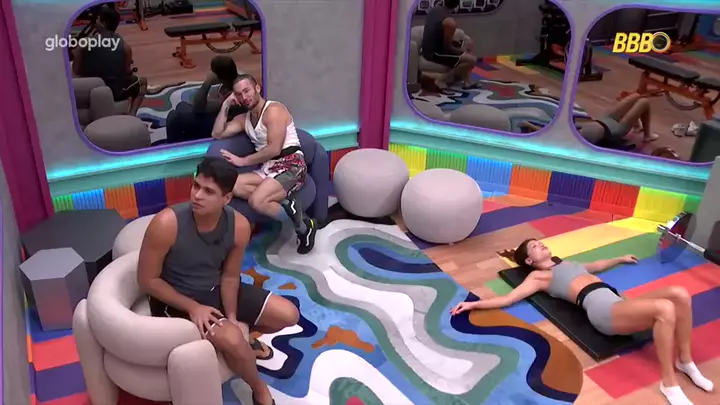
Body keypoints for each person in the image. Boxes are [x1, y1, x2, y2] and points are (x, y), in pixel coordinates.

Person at [451, 238, 713, 405]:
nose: (541, 245)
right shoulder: (539, 278)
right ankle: (669, 384)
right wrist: (473, 304)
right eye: (535, 247)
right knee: (665, 308)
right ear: (530, 261)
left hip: (617, 301)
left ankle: (685, 361)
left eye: (540, 242)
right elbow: (508, 299)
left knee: (680, 294)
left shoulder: (568, 264)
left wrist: (619, 258)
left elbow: (597, 265)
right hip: (603, 312)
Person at [138, 157, 300, 405]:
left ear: (226, 198)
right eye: (196, 186)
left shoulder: (239, 225)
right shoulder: (166, 223)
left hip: (215, 289)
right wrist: (193, 307)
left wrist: (232, 317)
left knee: (288, 315)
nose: (197, 196)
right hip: (177, 299)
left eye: (208, 191)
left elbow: (230, 276)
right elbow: (147, 280)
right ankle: (260, 391)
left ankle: (240, 343)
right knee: (233, 339)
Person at [211, 74, 318, 254]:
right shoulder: (243, 119)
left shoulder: (274, 110)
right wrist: (226, 104)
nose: (244, 97)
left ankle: (304, 226)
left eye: (247, 91)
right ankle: (287, 203)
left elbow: (274, 149)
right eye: (238, 94)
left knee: (257, 201)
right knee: (231, 184)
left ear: (257, 88)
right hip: (268, 168)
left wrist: (243, 161)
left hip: (291, 165)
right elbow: (217, 133)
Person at [72, 6, 147, 116]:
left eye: (97, 19)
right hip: (114, 92)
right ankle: (132, 115)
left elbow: (76, 70)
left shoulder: (83, 43)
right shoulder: (125, 47)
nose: (95, 22)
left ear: (103, 24)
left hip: (88, 90)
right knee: (142, 82)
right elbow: (126, 72)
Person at [521, 93, 659, 145]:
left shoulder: (570, 133)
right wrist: (533, 129)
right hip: (613, 130)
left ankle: (637, 126)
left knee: (635, 96)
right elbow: (553, 138)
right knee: (644, 102)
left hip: (603, 120)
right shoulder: (571, 141)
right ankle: (647, 135)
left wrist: (532, 127)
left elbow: (550, 132)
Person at [165, 56, 245, 143]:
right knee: (181, 107)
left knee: (175, 117)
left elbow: (198, 109)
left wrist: (207, 82)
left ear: (218, 77)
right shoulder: (238, 78)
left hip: (223, 125)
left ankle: (173, 145)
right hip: (223, 115)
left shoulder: (233, 96)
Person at [420, 0, 481, 90]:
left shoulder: (435, 10)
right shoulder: (449, 22)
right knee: (472, 60)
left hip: (427, 48)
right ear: (456, 6)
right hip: (434, 53)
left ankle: (467, 82)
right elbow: (448, 47)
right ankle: (441, 80)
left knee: (467, 47)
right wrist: (461, 50)